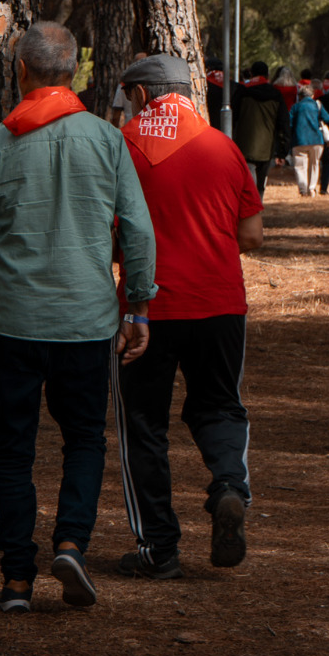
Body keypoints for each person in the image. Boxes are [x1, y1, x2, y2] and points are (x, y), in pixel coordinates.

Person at [0, 22, 157, 614]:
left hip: (15, 321)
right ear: (75, 72)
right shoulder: (108, 140)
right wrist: (139, 306)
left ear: (21, 72)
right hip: (87, 320)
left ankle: (15, 580)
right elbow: (137, 231)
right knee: (84, 439)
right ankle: (72, 544)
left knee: (14, 449)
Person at [112, 55, 264, 579]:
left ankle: (159, 547)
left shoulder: (122, 145)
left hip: (146, 309)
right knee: (220, 407)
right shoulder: (224, 147)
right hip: (220, 302)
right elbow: (252, 236)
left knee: (142, 425)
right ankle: (228, 485)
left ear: (138, 93)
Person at [231, 60, 288, 195]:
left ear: (251, 73)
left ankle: (250, 209)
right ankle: (258, 207)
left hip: (244, 145)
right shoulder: (276, 95)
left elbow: (233, 117)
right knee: (260, 183)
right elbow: (283, 123)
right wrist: (282, 151)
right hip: (266, 148)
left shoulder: (242, 91)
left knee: (248, 182)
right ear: (267, 75)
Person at [288, 82, 329, 196]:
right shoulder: (317, 105)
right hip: (316, 140)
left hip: (299, 140)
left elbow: (290, 123)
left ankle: (303, 189)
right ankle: (312, 188)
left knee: (300, 166)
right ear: (313, 95)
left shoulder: (295, 107)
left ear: (300, 96)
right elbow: (327, 118)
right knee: (314, 164)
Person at [110, 52, 149, 127]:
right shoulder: (155, 84)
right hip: (150, 130)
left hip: (131, 130)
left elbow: (116, 116)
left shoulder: (125, 85)